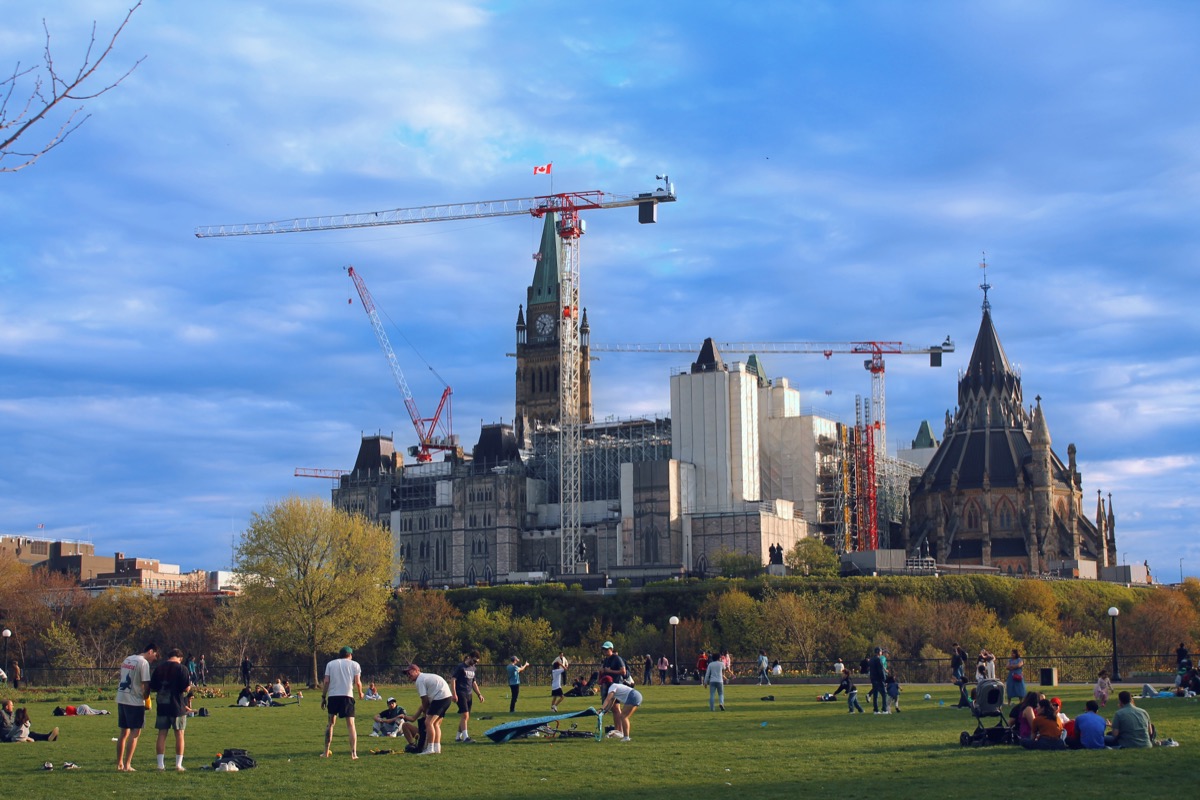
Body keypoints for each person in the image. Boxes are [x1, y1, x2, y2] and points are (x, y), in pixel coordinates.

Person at [116, 642, 158, 772]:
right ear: (150, 651)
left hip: (122, 697)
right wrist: (147, 700)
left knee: (123, 732)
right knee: (135, 732)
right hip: (134, 701)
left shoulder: (128, 659)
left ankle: (119, 764)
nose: (154, 660)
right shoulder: (143, 663)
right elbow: (146, 684)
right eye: (154, 656)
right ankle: (128, 765)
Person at [150, 647, 193, 772]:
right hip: (177, 706)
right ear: (180, 657)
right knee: (179, 734)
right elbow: (186, 688)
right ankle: (178, 765)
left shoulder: (159, 668)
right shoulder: (182, 668)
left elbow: (153, 687)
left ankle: (160, 765)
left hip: (162, 705)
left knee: (162, 734)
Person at [321, 645, 364, 760]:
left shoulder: (330, 664)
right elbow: (358, 682)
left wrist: (323, 697)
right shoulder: (355, 664)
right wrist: (360, 693)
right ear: (350, 655)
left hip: (333, 697)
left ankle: (325, 752)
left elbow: (326, 682)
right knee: (351, 725)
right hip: (347, 696)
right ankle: (353, 754)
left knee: (330, 724)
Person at [405, 662, 453, 755]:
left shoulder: (420, 680)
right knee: (436, 724)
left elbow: (424, 699)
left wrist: (426, 713)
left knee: (428, 722)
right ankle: (437, 748)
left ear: (417, 671)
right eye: (406, 674)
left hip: (440, 697)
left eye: (409, 672)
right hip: (447, 697)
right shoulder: (425, 677)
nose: (408, 675)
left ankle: (430, 749)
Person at [451, 651, 485, 742]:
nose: (475, 663)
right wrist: (454, 694)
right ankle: (466, 737)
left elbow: (474, 683)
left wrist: (479, 694)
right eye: (474, 661)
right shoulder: (460, 667)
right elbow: (453, 680)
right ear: (469, 657)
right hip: (460, 692)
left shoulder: (473, 668)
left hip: (469, 693)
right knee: (465, 715)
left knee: (465, 716)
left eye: (477, 662)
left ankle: (458, 737)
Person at [868, 647, 888, 714]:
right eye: (881, 651)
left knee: (875, 695)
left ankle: (876, 710)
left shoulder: (871, 660)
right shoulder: (878, 660)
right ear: (879, 652)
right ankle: (884, 709)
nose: (881, 652)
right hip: (879, 679)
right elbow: (881, 670)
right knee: (884, 694)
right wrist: (884, 679)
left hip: (873, 679)